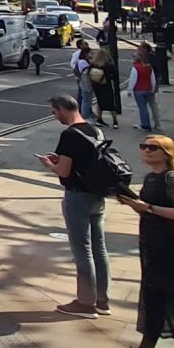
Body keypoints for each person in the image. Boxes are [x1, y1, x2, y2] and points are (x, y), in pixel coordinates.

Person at [113, 134, 174, 348]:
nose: (146, 150)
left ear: (167, 153)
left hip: (173, 250)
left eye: (153, 148)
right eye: (143, 146)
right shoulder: (151, 177)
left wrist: (148, 207)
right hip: (153, 247)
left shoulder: (172, 178)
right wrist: (137, 206)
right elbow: (150, 212)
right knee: (155, 298)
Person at [41, 95, 112, 317]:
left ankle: (85, 303)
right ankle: (102, 299)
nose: (55, 117)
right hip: (97, 195)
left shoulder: (69, 134)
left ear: (62, 109)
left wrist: (49, 165)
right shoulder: (95, 130)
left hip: (77, 196)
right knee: (99, 248)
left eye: (54, 112)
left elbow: (64, 171)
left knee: (82, 250)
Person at [89, 42, 122, 128]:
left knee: (100, 102)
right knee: (110, 103)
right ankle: (115, 121)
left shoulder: (93, 64)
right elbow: (115, 75)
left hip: (96, 85)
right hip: (106, 85)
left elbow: (89, 74)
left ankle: (99, 119)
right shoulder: (108, 65)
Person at [130, 43, 161, 131]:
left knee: (146, 105)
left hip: (142, 87)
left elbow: (133, 79)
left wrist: (130, 90)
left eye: (140, 48)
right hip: (149, 86)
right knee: (150, 104)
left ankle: (147, 124)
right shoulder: (150, 60)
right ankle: (152, 123)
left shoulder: (145, 62)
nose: (138, 49)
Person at [69, 39, 96, 120]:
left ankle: (87, 112)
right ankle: (82, 113)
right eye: (85, 44)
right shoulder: (78, 54)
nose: (87, 45)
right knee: (83, 96)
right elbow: (73, 64)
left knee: (86, 97)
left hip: (86, 77)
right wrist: (79, 74)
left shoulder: (87, 53)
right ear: (80, 45)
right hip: (82, 77)